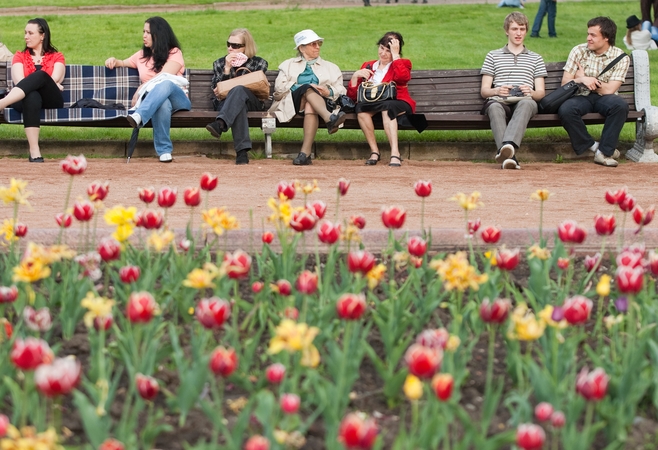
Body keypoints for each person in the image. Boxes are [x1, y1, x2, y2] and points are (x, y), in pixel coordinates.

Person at [105, 16, 190, 163]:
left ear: (159, 35)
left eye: (148, 32)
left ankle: (139, 115)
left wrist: (141, 88)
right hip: (156, 101)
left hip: (178, 98)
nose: (144, 35)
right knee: (162, 104)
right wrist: (113, 60)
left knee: (165, 84)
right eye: (143, 31)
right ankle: (164, 151)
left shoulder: (174, 52)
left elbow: (165, 76)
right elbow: (122, 62)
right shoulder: (141, 56)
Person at [557, 17, 630, 168]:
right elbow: (565, 82)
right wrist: (581, 80)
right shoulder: (578, 51)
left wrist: (588, 79)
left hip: (605, 98)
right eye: (588, 34)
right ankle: (598, 149)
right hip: (580, 96)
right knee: (566, 110)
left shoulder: (620, 57)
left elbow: (610, 89)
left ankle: (604, 152)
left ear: (606, 37)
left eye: (593, 35)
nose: (588, 38)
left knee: (620, 105)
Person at [347, 31, 425, 167]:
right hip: (374, 105)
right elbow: (354, 98)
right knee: (360, 109)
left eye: (388, 50)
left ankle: (395, 153)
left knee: (387, 107)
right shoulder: (368, 65)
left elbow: (402, 78)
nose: (383, 53)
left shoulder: (403, 63)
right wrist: (355, 77)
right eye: (381, 48)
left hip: (398, 103)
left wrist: (396, 56)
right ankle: (374, 152)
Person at [269, 29, 347, 166]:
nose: (317, 47)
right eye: (313, 44)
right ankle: (329, 119)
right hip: (293, 103)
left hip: (320, 103)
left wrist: (327, 91)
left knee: (310, 104)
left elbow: (341, 89)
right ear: (301, 48)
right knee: (306, 87)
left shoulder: (331, 67)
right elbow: (279, 87)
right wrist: (302, 87)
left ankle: (304, 154)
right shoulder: (288, 65)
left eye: (318, 43)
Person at [480, 12, 547, 170]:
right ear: (506, 31)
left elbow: (541, 93)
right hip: (499, 100)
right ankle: (510, 158)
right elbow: (484, 91)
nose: (518, 33)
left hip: (525, 100)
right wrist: (497, 90)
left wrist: (530, 91)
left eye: (522, 29)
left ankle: (507, 146)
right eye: (514, 29)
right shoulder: (493, 56)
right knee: (495, 107)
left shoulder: (536, 58)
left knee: (526, 104)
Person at [0, 19, 65, 163]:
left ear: (42, 36)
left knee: (41, 75)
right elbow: (19, 82)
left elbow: (53, 79)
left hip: (51, 99)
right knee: (32, 95)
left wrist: (50, 83)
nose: (26, 36)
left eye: (30, 33)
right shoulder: (19, 56)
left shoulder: (57, 56)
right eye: (25, 33)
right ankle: (34, 151)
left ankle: (3, 103)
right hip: (23, 99)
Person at [206, 29, 268, 165]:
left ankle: (220, 123)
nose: (230, 48)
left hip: (253, 101)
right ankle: (242, 153)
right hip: (226, 103)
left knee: (239, 90)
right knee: (239, 105)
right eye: (228, 44)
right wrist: (227, 69)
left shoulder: (259, 63)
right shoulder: (219, 63)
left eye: (235, 46)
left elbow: (257, 88)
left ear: (246, 47)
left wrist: (235, 85)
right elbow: (218, 92)